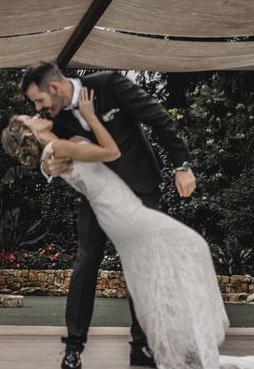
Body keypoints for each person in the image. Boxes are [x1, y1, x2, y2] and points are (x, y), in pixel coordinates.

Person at [2, 88, 254, 369]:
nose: (37, 112)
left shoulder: (52, 145)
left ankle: (147, 343)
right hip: (114, 208)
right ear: (28, 131)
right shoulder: (56, 148)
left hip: (121, 201)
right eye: (30, 116)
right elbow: (107, 151)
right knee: (113, 260)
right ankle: (81, 346)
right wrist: (91, 116)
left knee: (146, 266)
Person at [20, 62, 196, 369]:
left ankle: (142, 348)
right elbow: (46, 150)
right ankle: (73, 349)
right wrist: (48, 167)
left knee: (143, 267)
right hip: (98, 195)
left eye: (39, 101)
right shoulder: (55, 117)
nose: (39, 108)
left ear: (54, 88)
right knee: (86, 262)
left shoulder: (109, 84)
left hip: (140, 188)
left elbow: (158, 118)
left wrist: (182, 166)